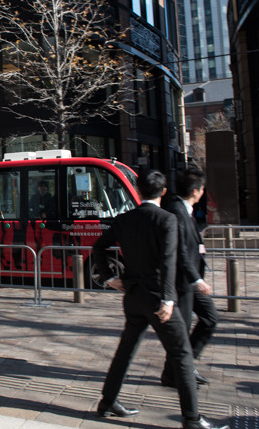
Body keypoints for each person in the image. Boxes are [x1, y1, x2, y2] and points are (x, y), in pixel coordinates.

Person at [91, 170, 227, 429]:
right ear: (163, 192)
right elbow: (168, 261)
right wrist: (167, 298)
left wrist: (110, 278)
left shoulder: (124, 219)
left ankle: (107, 402)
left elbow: (98, 246)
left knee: (125, 351)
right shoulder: (166, 219)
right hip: (157, 299)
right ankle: (192, 419)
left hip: (132, 297)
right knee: (183, 355)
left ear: (139, 191)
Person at [161, 167, 219, 388]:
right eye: (202, 189)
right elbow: (180, 251)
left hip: (191, 281)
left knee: (209, 318)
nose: (203, 192)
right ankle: (178, 372)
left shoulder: (185, 210)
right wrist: (197, 279)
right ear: (196, 190)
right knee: (183, 329)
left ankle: (182, 368)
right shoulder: (176, 211)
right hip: (184, 282)